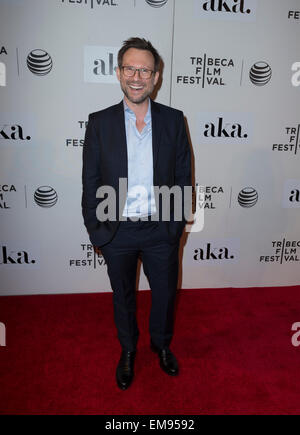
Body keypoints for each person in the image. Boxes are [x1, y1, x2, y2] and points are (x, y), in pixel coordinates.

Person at [82, 37, 191, 390]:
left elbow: (182, 177)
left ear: (156, 76)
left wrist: (174, 228)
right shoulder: (100, 122)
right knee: (123, 296)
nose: (137, 76)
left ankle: (161, 346)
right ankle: (128, 351)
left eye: (145, 69)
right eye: (130, 68)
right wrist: (98, 229)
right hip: (118, 230)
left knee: (164, 294)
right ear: (118, 73)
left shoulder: (175, 121)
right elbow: (90, 181)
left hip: (161, 229)